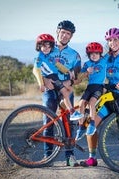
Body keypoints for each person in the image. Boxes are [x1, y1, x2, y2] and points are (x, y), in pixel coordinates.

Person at [80, 27, 119, 167]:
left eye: (115, 40)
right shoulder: (105, 59)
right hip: (109, 96)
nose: (112, 42)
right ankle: (92, 158)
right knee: (91, 123)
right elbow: (93, 69)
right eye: (109, 40)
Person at [33, 20, 82, 167]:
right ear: (57, 32)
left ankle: (70, 156)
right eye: (63, 32)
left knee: (69, 122)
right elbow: (37, 67)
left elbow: (77, 76)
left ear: (71, 36)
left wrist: (69, 83)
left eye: (68, 33)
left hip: (65, 89)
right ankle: (48, 156)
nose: (65, 35)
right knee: (48, 122)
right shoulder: (47, 47)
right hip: (49, 90)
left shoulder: (75, 55)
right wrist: (43, 82)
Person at [33, 33, 83, 120]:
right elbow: (36, 70)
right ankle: (71, 112)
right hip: (53, 78)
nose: (46, 49)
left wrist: (68, 71)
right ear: (39, 46)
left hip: (55, 77)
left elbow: (58, 65)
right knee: (65, 93)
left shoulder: (49, 56)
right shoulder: (39, 57)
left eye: (48, 47)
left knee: (68, 91)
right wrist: (41, 83)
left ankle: (65, 105)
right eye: (44, 46)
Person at [71, 42, 106, 141]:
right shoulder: (87, 64)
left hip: (99, 87)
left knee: (92, 103)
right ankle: (81, 127)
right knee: (81, 103)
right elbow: (79, 77)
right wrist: (87, 72)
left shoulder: (104, 61)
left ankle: (92, 124)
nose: (94, 55)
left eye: (96, 53)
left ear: (100, 54)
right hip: (89, 87)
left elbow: (112, 54)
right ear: (89, 54)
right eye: (92, 54)